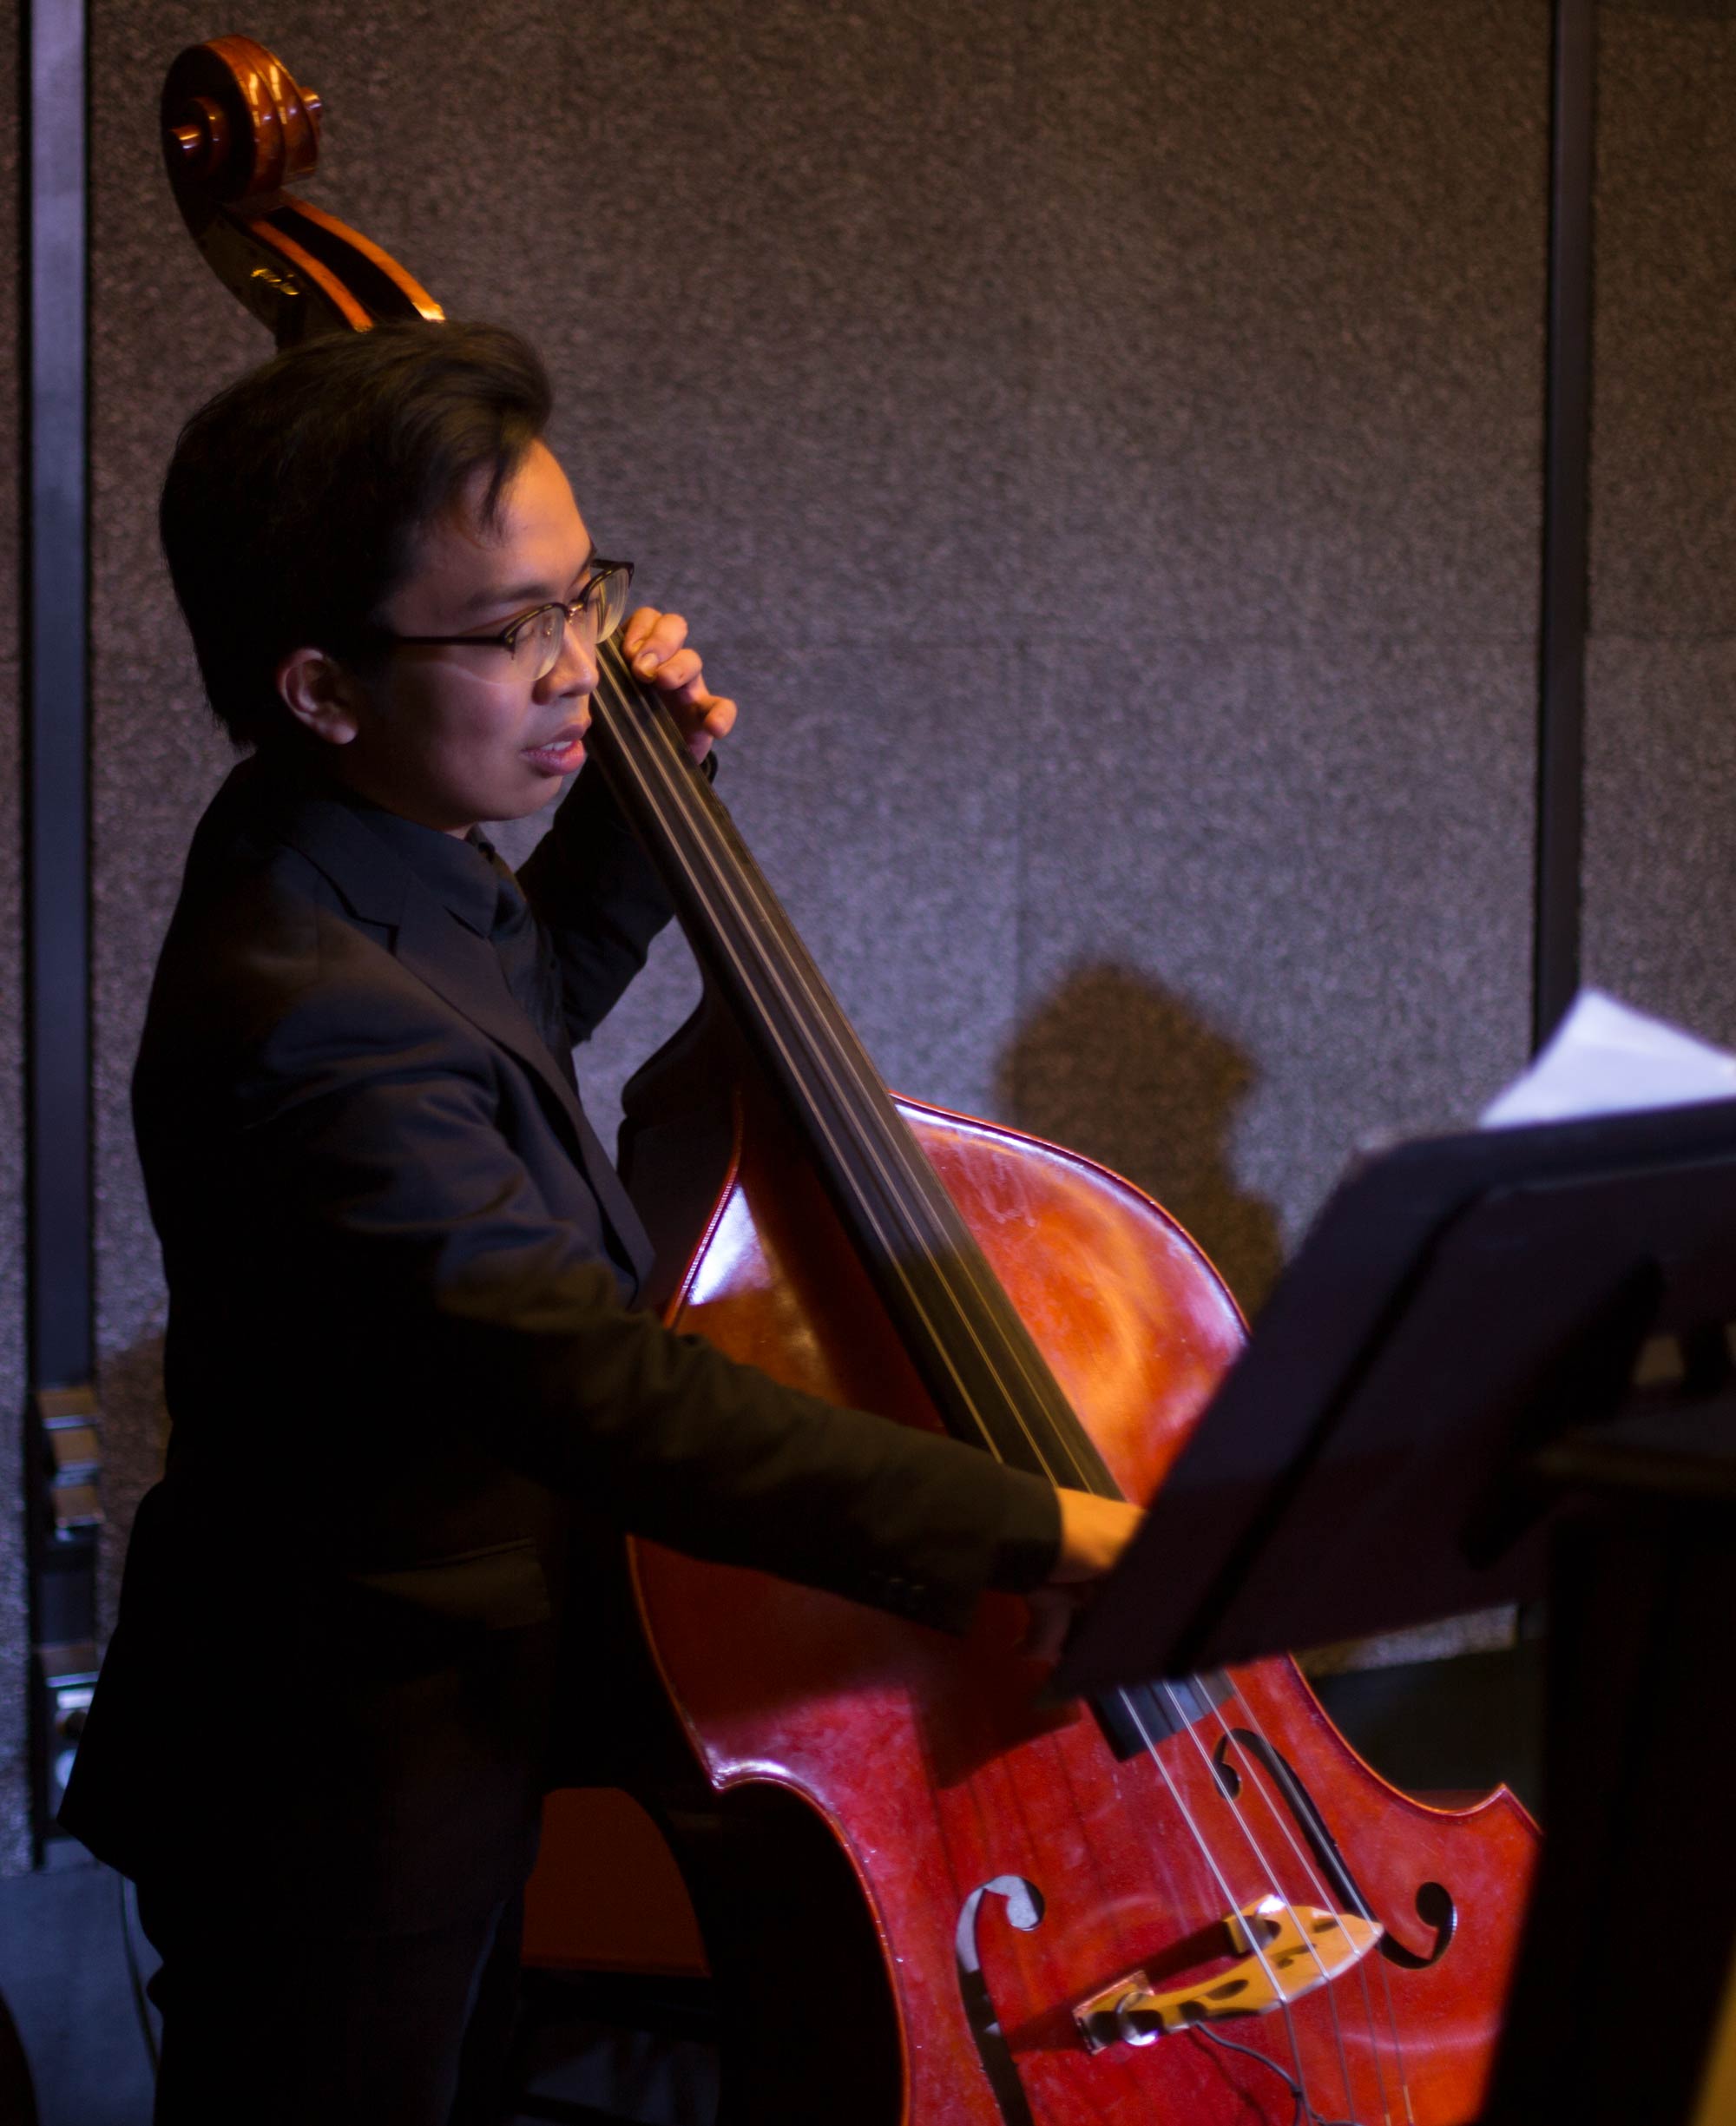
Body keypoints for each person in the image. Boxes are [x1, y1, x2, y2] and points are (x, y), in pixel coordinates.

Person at [61, 319, 1142, 2124]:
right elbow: (605, 1393)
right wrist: (1041, 1525)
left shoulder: (343, 837)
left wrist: (644, 820)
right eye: (509, 632)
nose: (576, 671)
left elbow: (503, 1021)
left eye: (583, 600)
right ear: (323, 684)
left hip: (439, 1683)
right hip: (346, 1756)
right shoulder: (306, 1002)